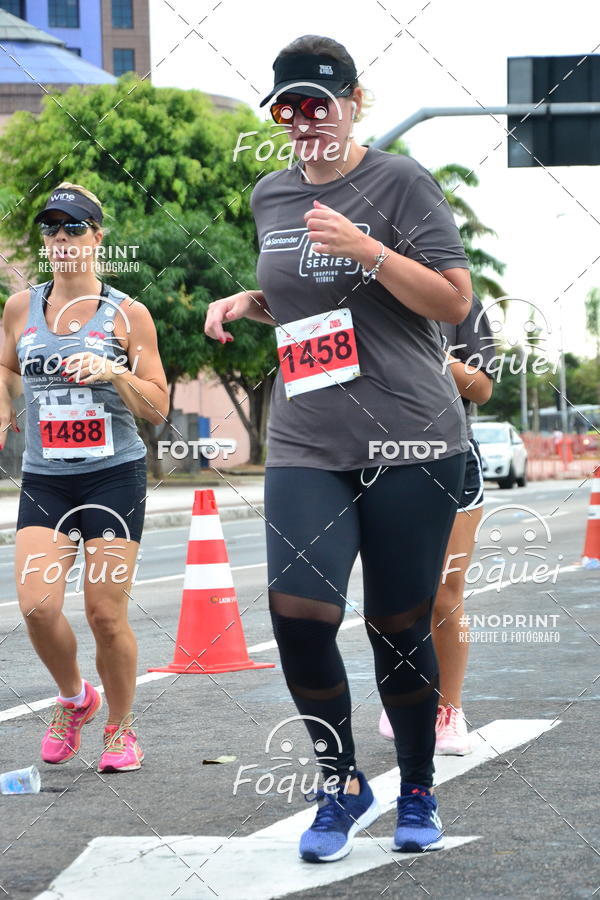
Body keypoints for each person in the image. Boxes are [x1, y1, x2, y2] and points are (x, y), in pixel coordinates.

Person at [205, 36, 473, 861]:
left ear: (354, 101)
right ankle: (342, 783)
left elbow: (453, 302)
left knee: (397, 623)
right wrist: (250, 300)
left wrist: (371, 250)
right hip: (306, 438)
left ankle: (417, 786)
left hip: (409, 438)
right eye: (288, 108)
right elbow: (306, 299)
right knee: (298, 615)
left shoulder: (400, 183)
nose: (305, 121)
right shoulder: (271, 194)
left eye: (319, 104)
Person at [0, 183, 169, 773]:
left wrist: (112, 371)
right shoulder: (20, 308)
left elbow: (157, 406)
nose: (61, 238)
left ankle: (121, 730)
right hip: (46, 477)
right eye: (51, 228)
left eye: (74, 227)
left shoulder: (128, 314)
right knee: (37, 606)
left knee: (104, 613)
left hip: (112, 477)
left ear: (98, 237)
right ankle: (75, 699)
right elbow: (4, 366)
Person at [379, 294, 494, 754]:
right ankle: (406, 692)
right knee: (397, 595)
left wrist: (427, 353)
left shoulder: (458, 299)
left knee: (446, 593)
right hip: (375, 458)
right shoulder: (356, 288)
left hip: (451, 455)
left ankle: (450, 709)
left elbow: (482, 388)